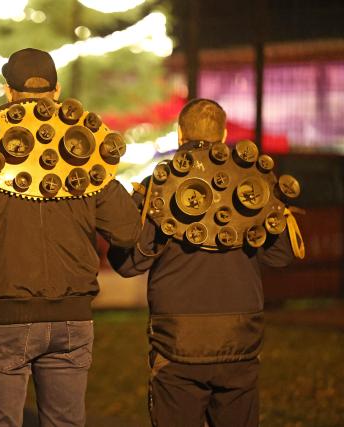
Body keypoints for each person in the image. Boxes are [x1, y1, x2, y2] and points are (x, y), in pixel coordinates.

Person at [0, 48, 141, 426]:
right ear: (57, 90)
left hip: (2, 315)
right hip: (71, 316)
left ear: (8, 92)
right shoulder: (83, 148)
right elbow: (128, 230)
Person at [108, 98, 299, 427]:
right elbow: (280, 256)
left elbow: (129, 264)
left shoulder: (160, 186)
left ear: (180, 135)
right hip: (241, 339)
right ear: (224, 135)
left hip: (178, 342)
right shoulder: (252, 186)